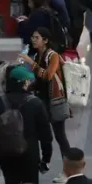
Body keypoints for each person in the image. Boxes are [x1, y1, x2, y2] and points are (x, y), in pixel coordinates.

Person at [0, 66, 52, 184]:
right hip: (30, 155)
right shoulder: (35, 103)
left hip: (6, 154)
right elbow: (46, 135)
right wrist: (46, 158)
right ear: (24, 83)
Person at [19, 27, 71, 161]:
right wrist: (27, 88)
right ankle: (39, 161)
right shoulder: (38, 55)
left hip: (54, 100)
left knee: (60, 135)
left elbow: (48, 75)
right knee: (36, 131)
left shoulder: (53, 55)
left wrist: (31, 63)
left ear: (45, 40)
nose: (33, 40)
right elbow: (39, 80)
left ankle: (69, 167)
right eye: (32, 37)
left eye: (37, 38)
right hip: (41, 99)